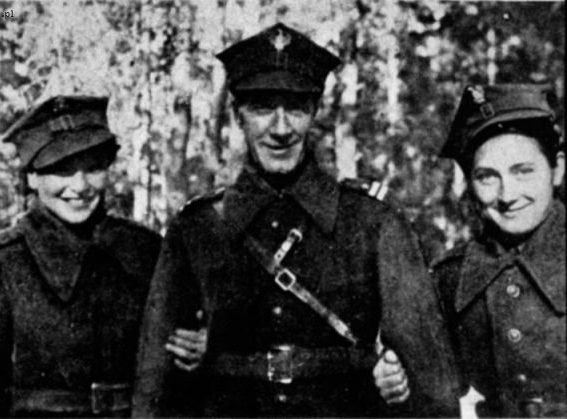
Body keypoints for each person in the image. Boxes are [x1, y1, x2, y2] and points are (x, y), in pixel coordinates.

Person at [133, 23, 459, 417]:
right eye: (262, 108)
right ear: (238, 115)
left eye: (296, 108)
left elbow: (428, 378)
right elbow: (156, 382)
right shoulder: (197, 228)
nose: (281, 128)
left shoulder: (373, 221)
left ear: (314, 112)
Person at [0, 96, 206, 417]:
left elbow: (186, 375)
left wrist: (202, 350)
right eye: (61, 169)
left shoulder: (147, 252)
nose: (80, 185)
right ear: (32, 176)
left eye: (93, 168)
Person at [374, 84, 566, 417]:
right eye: (487, 177)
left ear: (558, 168)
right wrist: (392, 378)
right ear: (470, 185)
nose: (507, 195)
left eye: (523, 171)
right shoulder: (449, 279)